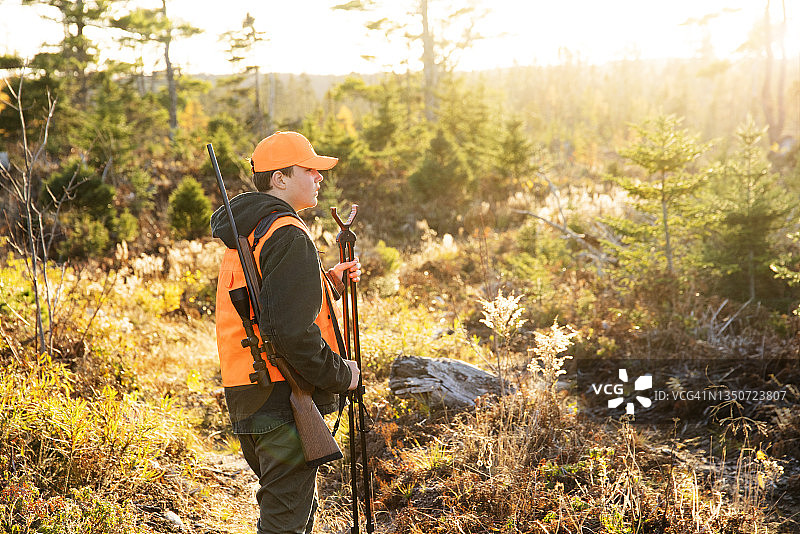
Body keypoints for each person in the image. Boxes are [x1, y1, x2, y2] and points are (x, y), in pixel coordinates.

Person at [210, 131, 361, 534]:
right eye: (309, 169)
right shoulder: (288, 233)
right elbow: (288, 331)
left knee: (291, 509)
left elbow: (264, 305)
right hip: (281, 397)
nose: (319, 177)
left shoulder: (250, 230)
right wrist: (341, 374)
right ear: (279, 179)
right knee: (286, 522)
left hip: (250, 392)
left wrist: (324, 283)